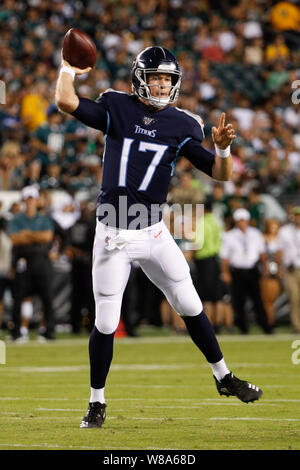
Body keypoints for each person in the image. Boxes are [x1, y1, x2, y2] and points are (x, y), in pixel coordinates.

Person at [55, 46, 263, 429]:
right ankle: (96, 401)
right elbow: (66, 101)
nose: (163, 84)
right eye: (156, 77)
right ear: (140, 79)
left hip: (152, 230)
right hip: (113, 232)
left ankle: (223, 376)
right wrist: (68, 68)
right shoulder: (117, 107)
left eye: (168, 78)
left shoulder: (183, 124)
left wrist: (222, 147)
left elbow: (221, 175)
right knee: (105, 323)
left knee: (190, 303)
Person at [8, 185, 55, 341]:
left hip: (41, 262)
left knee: (47, 298)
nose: (29, 202)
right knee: (18, 299)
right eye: (27, 199)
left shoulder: (43, 218)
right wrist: (37, 237)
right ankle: (17, 333)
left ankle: (48, 332)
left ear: (36, 200)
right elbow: (15, 238)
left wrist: (27, 234)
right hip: (24, 262)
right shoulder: (17, 218)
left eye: (32, 199)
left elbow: (47, 237)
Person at [220, 208, 272, 335]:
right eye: (240, 220)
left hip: (252, 270)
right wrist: (225, 272)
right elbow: (225, 257)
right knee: (239, 300)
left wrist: (265, 268)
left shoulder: (255, 233)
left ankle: (265, 325)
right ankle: (243, 327)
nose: (242, 223)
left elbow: (262, 253)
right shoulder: (230, 236)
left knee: (258, 299)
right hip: (237, 271)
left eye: (244, 220)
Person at [276, 207, 300, 333]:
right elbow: (279, 251)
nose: (298, 218)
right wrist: (279, 268)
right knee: (294, 297)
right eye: (296, 215)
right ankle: (296, 326)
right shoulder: (284, 231)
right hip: (290, 269)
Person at [260, 218, 281, 328]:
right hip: (269, 272)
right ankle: (269, 322)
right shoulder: (264, 239)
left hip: (279, 271)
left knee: (273, 299)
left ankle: (271, 320)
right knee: (267, 299)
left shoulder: (280, 239)